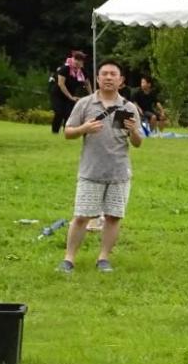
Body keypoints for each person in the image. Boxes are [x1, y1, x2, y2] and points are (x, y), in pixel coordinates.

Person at [58, 60, 143, 273]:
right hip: (91, 171)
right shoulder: (85, 104)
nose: (108, 77)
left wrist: (133, 131)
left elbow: (138, 142)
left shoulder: (128, 107)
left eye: (113, 74)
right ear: (97, 78)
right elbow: (68, 133)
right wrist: (84, 128)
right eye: (104, 73)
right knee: (81, 216)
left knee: (113, 217)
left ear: (121, 80)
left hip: (119, 172)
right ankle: (69, 259)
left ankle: (103, 258)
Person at [50, 50, 91, 134]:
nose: (77, 62)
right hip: (58, 94)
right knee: (59, 112)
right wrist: (70, 97)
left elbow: (87, 83)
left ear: (82, 62)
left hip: (71, 94)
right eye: (76, 59)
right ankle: (55, 131)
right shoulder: (65, 69)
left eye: (80, 60)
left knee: (69, 114)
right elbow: (61, 84)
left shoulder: (82, 72)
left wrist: (91, 95)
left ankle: (67, 131)